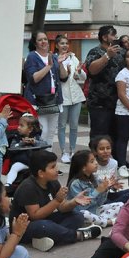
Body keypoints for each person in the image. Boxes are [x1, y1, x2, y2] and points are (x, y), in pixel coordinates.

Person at [9, 149, 102, 252]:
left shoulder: (53, 182)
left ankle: (47, 238)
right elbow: (35, 216)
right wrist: (57, 200)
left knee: (77, 216)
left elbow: (62, 208)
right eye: (53, 167)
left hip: (45, 220)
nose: (57, 169)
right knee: (44, 226)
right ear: (41, 173)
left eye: (56, 165)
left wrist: (74, 201)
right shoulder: (28, 187)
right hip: (25, 227)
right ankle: (79, 235)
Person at [23, 31, 66, 149]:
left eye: (45, 39)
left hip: (54, 100)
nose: (43, 42)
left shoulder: (53, 56)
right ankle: (40, 159)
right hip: (38, 101)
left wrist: (60, 64)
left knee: (51, 133)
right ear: (35, 43)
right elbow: (33, 79)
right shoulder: (32, 57)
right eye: (40, 40)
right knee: (43, 131)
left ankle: (48, 159)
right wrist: (49, 66)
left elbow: (63, 77)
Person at [85, 25, 124, 140]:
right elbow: (92, 69)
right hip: (99, 103)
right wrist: (107, 56)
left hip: (118, 103)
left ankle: (116, 158)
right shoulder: (95, 51)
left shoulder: (121, 53)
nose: (115, 37)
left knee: (116, 137)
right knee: (99, 137)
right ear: (104, 37)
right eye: (112, 35)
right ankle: (95, 158)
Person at [67, 150, 124, 228]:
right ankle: (108, 222)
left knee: (120, 205)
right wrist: (97, 191)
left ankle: (98, 221)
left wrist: (105, 189)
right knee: (84, 214)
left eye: (95, 160)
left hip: (95, 211)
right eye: (92, 161)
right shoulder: (75, 184)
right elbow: (81, 207)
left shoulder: (95, 178)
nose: (96, 163)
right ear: (83, 167)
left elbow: (100, 203)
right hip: (81, 214)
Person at [56, 35, 86, 164]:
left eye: (66, 43)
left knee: (74, 126)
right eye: (62, 43)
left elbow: (83, 77)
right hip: (63, 97)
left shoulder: (74, 58)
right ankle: (64, 152)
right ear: (57, 45)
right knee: (61, 125)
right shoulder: (55, 59)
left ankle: (73, 151)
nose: (65, 46)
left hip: (76, 97)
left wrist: (78, 72)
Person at [4, 113, 45, 187]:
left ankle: (43, 185)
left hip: (34, 162)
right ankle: (8, 183)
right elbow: (13, 148)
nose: (18, 127)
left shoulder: (36, 137)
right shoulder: (16, 137)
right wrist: (21, 143)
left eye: (21, 125)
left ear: (30, 129)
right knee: (15, 167)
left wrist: (35, 142)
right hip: (22, 162)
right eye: (18, 125)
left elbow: (44, 144)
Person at [90, 135, 129, 203]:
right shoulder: (92, 165)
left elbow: (111, 184)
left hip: (107, 195)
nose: (105, 151)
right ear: (95, 151)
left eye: (108, 148)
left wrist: (113, 187)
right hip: (95, 198)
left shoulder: (114, 163)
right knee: (122, 201)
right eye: (101, 149)